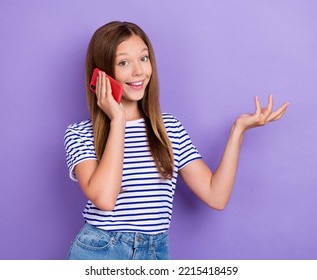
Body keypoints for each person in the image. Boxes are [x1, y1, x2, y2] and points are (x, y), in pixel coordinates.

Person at [64, 21, 289, 260]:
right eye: (123, 63)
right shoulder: (79, 134)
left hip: (155, 252)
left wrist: (238, 131)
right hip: (100, 252)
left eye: (144, 58)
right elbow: (105, 199)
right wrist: (117, 120)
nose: (139, 71)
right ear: (101, 75)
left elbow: (216, 196)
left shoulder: (168, 129)